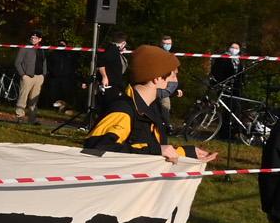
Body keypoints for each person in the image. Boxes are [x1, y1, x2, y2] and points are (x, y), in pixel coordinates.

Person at [83, 46, 214, 164]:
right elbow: (95, 150)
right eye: (174, 75)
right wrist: (156, 150)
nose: (176, 81)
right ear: (157, 78)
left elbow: (154, 149)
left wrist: (186, 153)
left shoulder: (153, 108)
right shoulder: (122, 110)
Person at [14, 31, 46, 124]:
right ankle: (20, 116)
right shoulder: (25, 47)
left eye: (35, 38)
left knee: (34, 99)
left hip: (39, 77)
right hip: (27, 76)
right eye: (32, 37)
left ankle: (32, 119)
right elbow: (17, 62)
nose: (33, 39)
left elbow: (44, 62)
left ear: (40, 39)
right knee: (23, 97)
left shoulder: (42, 49)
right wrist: (23, 75)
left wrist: (43, 74)